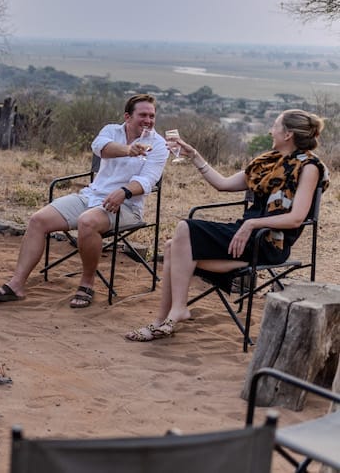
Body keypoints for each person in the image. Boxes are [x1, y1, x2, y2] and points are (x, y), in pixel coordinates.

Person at [124, 109, 329, 341]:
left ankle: (176, 311)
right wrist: (193, 155)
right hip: (245, 235)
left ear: (288, 134)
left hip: (269, 242)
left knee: (184, 229)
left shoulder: (309, 167)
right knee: (173, 247)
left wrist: (251, 224)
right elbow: (222, 184)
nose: (271, 131)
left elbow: (296, 218)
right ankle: (163, 319)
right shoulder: (266, 163)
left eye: (275, 126)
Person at [0, 93, 168, 308]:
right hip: (91, 195)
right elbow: (100, 148)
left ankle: (87, 283)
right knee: (37, 220)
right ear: (127, 117)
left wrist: (124, 192)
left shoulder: (159, 144)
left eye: (152, 116)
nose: (148, 120)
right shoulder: (111, 131)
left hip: (127, 205)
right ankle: (16, 285)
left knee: (87, 221)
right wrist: (128, 150)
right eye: (143, 115)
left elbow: (147, 181)